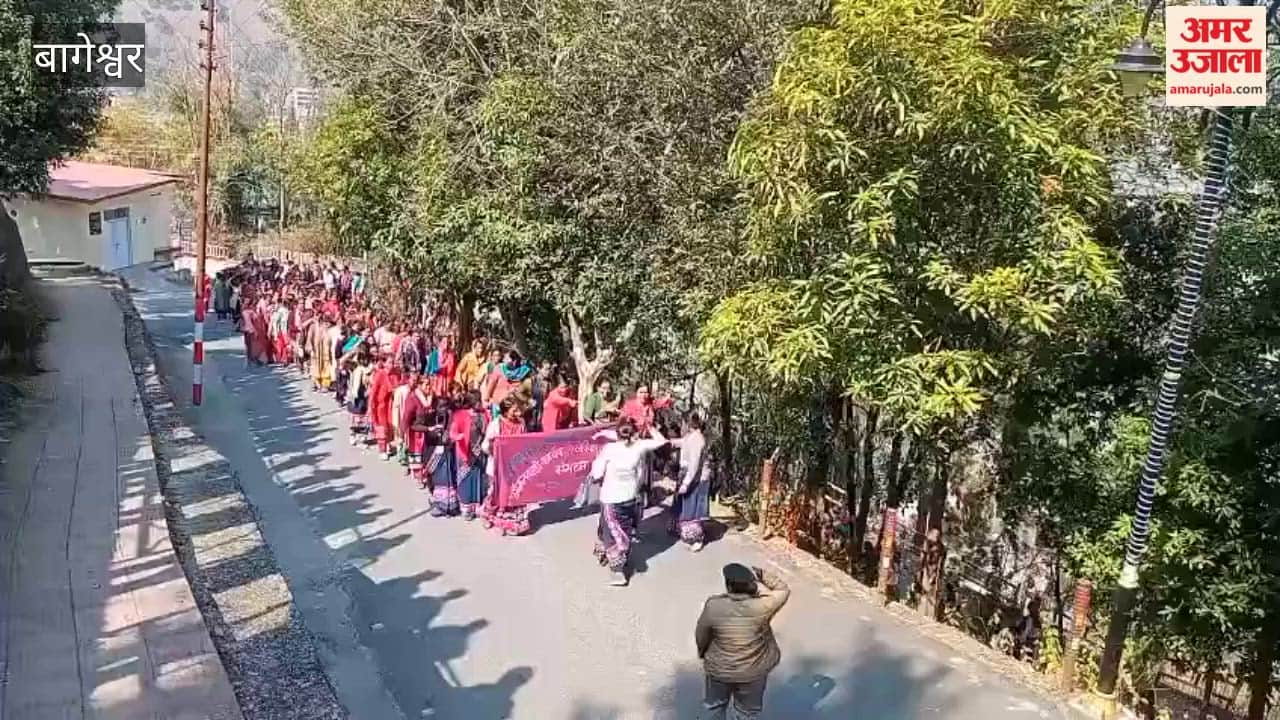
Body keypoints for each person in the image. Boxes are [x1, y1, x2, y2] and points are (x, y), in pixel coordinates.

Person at [695, 564, 791, 720]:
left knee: (715, 707)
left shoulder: (714, 606)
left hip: (720, 670)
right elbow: (783, 590)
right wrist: (761, 574)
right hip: (753, 672)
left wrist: (703, 653)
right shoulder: (763, 605)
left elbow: (702, 633)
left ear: (729, 586)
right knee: (747, 713)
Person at [587, 417, 668, 586]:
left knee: (612, 533)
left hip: (611, 499)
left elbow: (596, 473)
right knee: (624, 530)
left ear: (617, 434)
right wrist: (650, 427)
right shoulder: (639, 446)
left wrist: (595, 475)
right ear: (634, 433)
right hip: (630, 497)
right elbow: (662, 441)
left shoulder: (610, 449)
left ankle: (618, 571)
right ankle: (616, 557)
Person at [479, 396, 530, 535]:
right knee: (495, 494)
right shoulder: (496, 424)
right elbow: (485, 445)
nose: (518, 413)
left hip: (515, 467)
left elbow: (525, 441)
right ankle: (488, 516)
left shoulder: (521, 423)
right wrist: (494, 449)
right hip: (498, 467)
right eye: (514, 410)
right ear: (505, 412)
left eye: (518, 410)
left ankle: (510, 523)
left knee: (513, 495)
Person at [671, 414, 711, 551]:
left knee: (693, 508)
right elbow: (682, 442)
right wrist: (666, 441)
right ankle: (682, 530)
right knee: (683, 505)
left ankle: (696, 538)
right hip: (688, 474)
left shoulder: (697, 440)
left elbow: (694, 465)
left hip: (695, 478)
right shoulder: (691, 437)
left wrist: (686, 483)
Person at [451, 390, 488, 520]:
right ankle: (466, 508)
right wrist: (459, 437)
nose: (481, 403)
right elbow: (453, 432)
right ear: (474, 402)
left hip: (479, 452)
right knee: (465, 479)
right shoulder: (460, 415)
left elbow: (487, 432)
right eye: (479, 401)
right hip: (464, 452)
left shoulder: (484, 415)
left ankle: (477, 506)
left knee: (478, 478)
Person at [368, 356, 399, 460]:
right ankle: (382, 449)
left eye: (393, 362)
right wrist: (371, 404)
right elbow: (374, 391)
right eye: (390, 362)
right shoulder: (380, 374)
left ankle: (388, 444)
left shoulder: (395, 374)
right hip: (381, 405)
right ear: (384, 363)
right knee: (382, 426)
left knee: (391, 425)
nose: (392, 365)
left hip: (391, 404)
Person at [346, 354, 372, 447]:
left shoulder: (367, 370)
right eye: (362, 359)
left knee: (363, 417)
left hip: (363, 396)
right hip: (357, 397)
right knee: (356, 417)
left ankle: (362, 438)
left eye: (365, 359)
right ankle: (353, 435)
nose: (364, 361)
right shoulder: (356, 370)